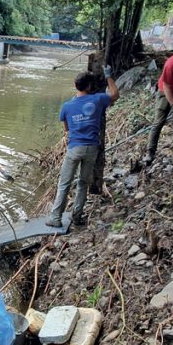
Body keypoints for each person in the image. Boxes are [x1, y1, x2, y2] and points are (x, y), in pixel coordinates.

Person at [45, 66, 120, 228]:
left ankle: (55, 218)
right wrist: (108, 76)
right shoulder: (98, 99)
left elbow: (67, 130)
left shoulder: (66, 106)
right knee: (82, 183)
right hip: (92, 149)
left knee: (64, 183)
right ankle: (77, 217)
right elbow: (115, 94)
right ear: (89, 87)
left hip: (74, 148)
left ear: (76, 86)